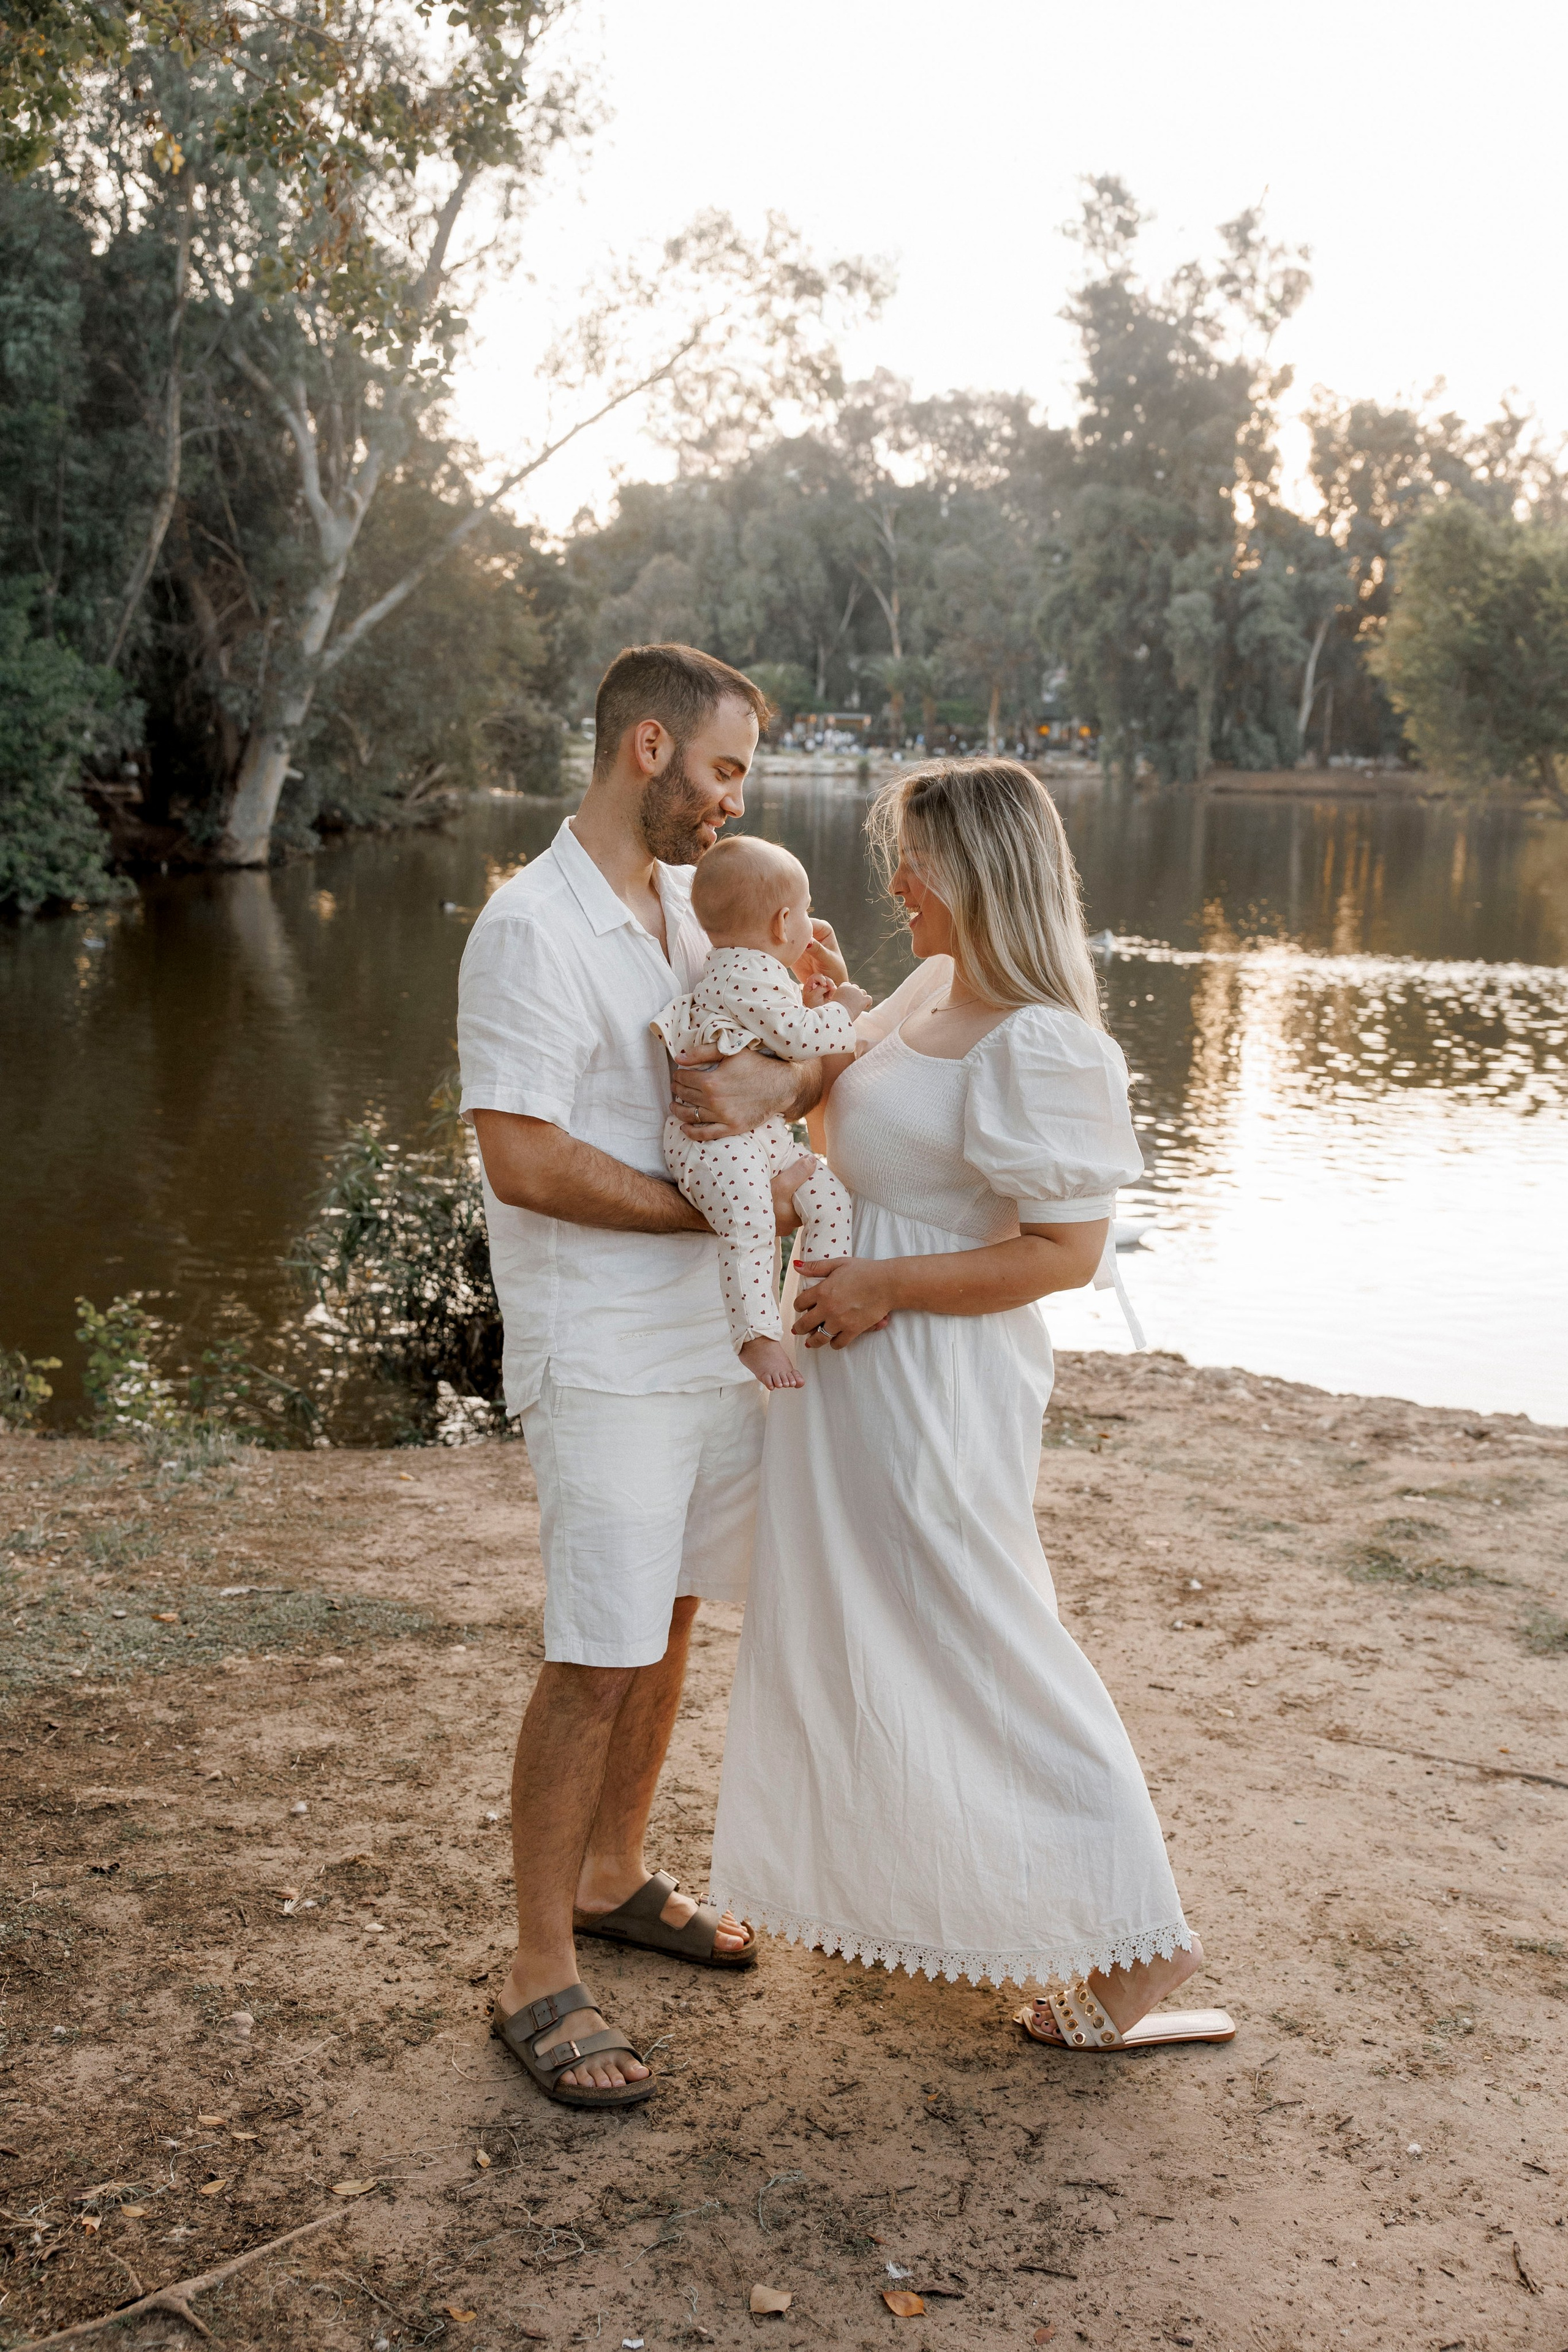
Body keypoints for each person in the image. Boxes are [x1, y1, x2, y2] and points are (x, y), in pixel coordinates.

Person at [710, 758, 1235, 2054]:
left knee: (986, 1626)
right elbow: (833, 1095)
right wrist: (810, 1019)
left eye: (917, 864)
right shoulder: (932, 990)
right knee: (866, 1624)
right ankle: (945, 1903)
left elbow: (1063, 1254)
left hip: (935, 1376)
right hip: (845, 1372)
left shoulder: (1043, 1043)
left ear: (979, 876)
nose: (896, 886)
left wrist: (884, 1281)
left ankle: (1143, 1951)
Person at [457, 642, 830, 2109]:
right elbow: (521, 1154)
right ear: (650, 748)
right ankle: (537, 1969)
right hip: (604, 1348)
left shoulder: (696, 905)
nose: (733, 802)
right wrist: (717, 1207)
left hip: (708, 1338)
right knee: (594, 1645)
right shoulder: (528, 927)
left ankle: (615, 1874)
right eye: (724, 770)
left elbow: (773, 1070)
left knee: (670, 1616)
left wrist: (790, 1074)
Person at [652, 834, 869, 1392]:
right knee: (750, 1223)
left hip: (757, 1134)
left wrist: (812, 999)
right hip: (713, 1144)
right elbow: (796, 1039)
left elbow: (778, 1032)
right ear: (782, 923)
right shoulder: (744, 971)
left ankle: (821, 1295)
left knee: (825, 1194)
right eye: (807, 910)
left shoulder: (748, 968)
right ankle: (756, 1336)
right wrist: (843, 1003)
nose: (809, 922)